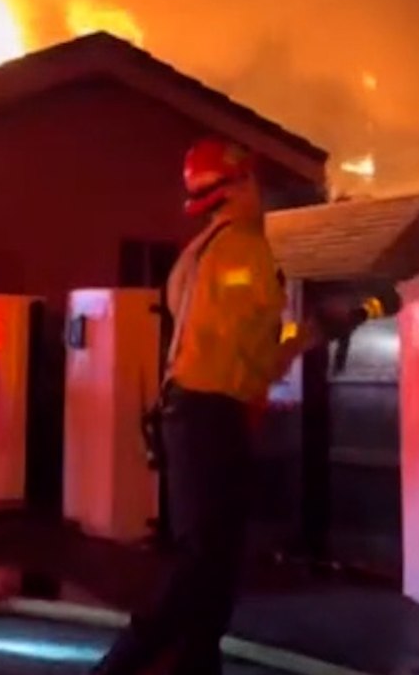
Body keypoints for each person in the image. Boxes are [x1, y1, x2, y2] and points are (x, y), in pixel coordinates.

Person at [93, 137, 319, 675]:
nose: (261, 191)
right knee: (204, 563)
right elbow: (251, 348)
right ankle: (119, 667)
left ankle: (197, 666)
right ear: (235, 187)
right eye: (253, 181)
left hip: (189, 414)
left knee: (213, 562)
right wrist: (307, 338)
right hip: (213, 417)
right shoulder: (246, 248)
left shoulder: (196, 253)